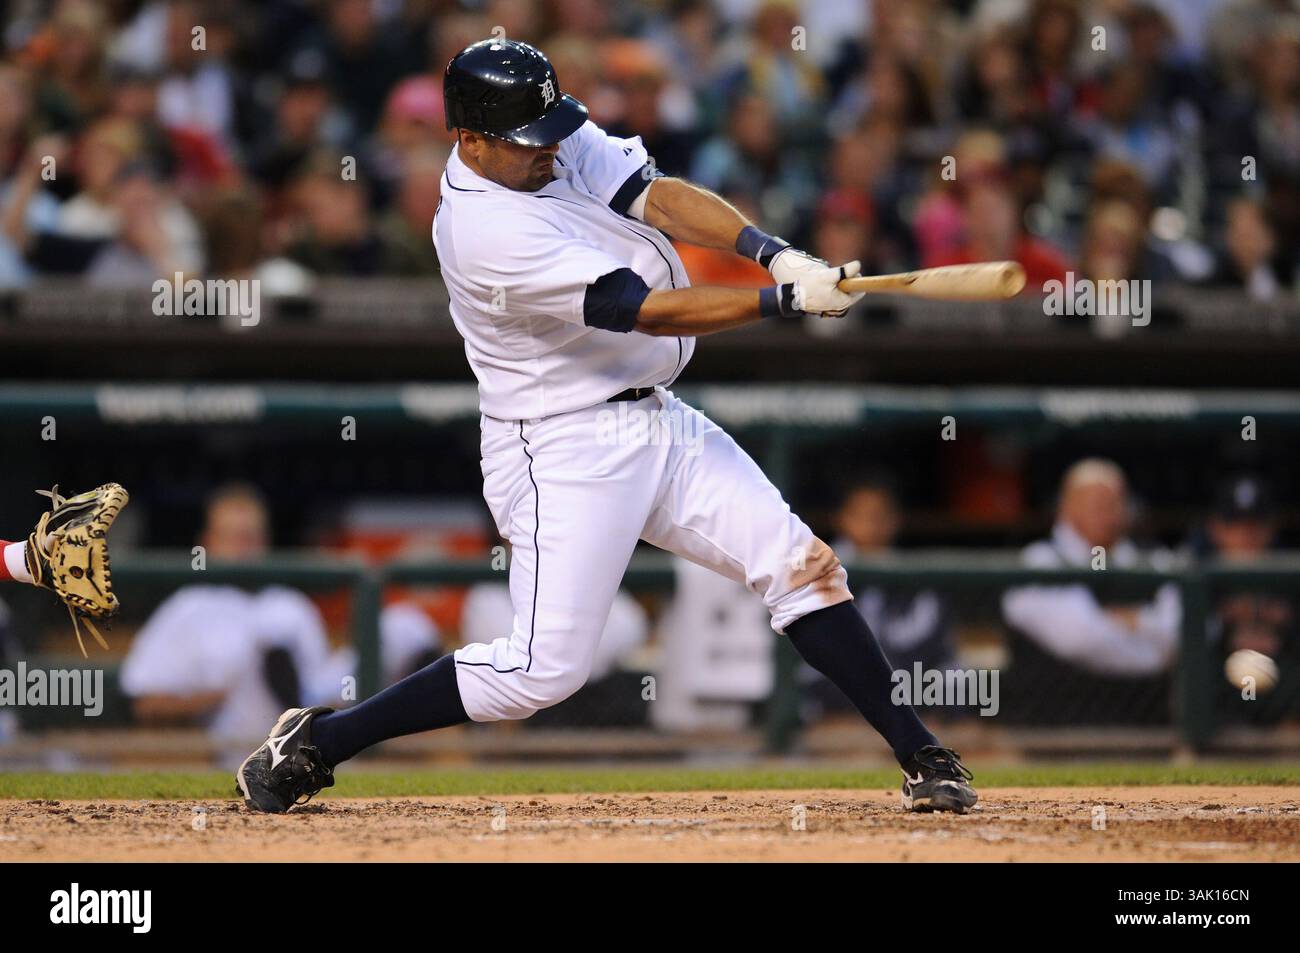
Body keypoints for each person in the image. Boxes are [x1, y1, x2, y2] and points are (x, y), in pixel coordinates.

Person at [236, 39, 976, 815]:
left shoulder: (540, 137)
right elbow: (642, 310)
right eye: (529, 141)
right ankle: (321, 741)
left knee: (798, 562)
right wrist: (781, 304)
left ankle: (920, 751)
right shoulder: (482, 232)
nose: (550, 148)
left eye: (552, 129)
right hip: (562, 443)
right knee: (538, 673)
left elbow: (656, 196)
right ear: (469, 140)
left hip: (654, 417)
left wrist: (774, 254)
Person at [1001, 459, 1180, 724]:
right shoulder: (1038, 561)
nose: (1107, 512)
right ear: (1066, 508)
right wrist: (1154, 648)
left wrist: (1134, 622)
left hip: (1149, 725)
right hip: (1053, 728)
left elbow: (1186, 633)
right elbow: (1083, 639)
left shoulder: (1155, 559)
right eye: (1094, 503)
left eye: (1114, 502)